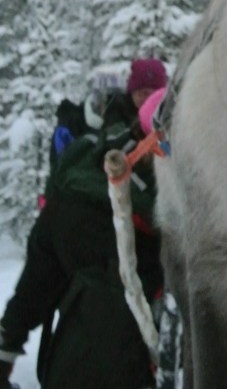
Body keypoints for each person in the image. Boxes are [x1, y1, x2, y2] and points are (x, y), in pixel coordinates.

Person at [0, 90, 166, 389]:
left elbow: (36, 280)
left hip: (70, 362)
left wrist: (7, 344)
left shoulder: (78, 180)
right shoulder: (171, 215)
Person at [49, 58, 168, 168]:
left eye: (154, 95)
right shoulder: (115, 111)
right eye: (142, 93)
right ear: (132, 91)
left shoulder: (165, 118)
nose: (148, 100)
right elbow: (110, 150)